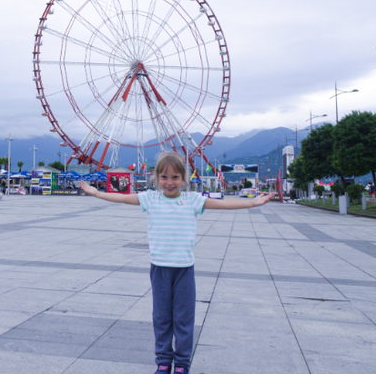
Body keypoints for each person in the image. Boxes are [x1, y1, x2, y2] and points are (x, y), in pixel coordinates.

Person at [79, 152, 274, 374]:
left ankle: (182, 364)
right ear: (156, 178)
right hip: (160, 269)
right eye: (164, 177)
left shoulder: (192, 200)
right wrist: (97, 193)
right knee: (161, 318)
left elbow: (223, 204)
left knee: (184, 319)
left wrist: (252, 203)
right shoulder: (151, 199)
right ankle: (163, 361)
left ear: (184, 178)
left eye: (175, 177)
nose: (169, 182)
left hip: (184, 270)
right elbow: (123, 198)